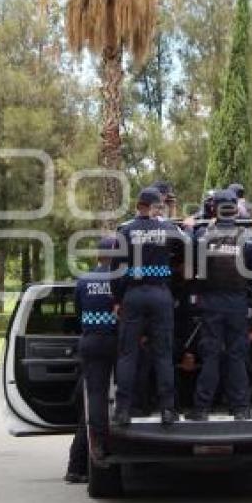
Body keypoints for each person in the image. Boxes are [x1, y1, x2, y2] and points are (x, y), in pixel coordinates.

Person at [187, 190, 252, 421]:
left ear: (214, 209)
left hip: (210, 303)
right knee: (236, 356)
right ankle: (241, 409)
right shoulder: (248, 237)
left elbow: (190, 263)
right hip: (237, 303)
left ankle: (201, 410)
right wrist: (242, 286)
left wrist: (189, 228)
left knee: (211, 356)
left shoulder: (202, 235)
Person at [113, 187, 185, 426]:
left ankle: (123, 410)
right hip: (160, 294)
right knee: (163, 353)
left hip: (133, 295)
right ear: (157, 207)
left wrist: (118, 299)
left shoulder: (125, 231)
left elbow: (117, 271)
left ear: (138, 205)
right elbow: (188, 247)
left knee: (127, 354)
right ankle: (167, 409)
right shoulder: (168, 230)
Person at [64, 237, 119, 483]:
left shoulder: (84, 280)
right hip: (117, 342)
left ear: (98, 255)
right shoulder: (121, 280)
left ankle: (96, 443)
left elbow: (78, 313)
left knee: (95, 395)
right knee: (126, 389)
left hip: (90, 341)